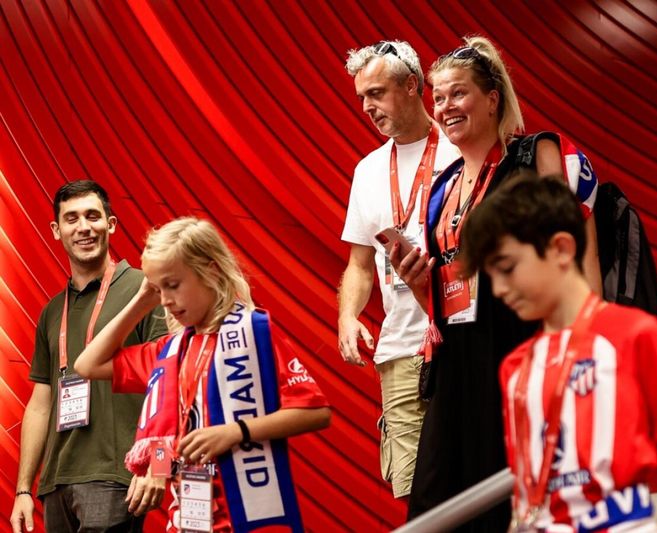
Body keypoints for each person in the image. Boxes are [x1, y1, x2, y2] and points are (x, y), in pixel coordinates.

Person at [393, 36, 601, 529]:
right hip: (455, 363)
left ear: (492, 99)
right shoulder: (441, 187)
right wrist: (418, 282)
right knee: (435, 510)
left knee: (512, 507)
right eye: (438, 97)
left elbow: (579, 255)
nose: (445, 106)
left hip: (521, 351)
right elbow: (447, 297)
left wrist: (583, 351)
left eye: (458, 93)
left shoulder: (538, 153)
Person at [459, 172, 657, 532]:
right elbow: (526, 486)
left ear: (561, 249)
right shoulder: (515, 367)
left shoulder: (635, 334)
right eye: (490, 275)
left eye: (507, 268)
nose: (498, 289)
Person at [74, 217, 331, 532]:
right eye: (158, 289)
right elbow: (87, 365)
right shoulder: (169, 350)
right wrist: (141, 301)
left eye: (173, 285)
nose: (165, 300)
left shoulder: (253, 333)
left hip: (245, 515)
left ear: (211, 271)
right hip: (189, 518)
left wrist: (236, 431)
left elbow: (315, 411)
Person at [10, 180, 168, 533]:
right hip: (55, 483)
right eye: (72, 218)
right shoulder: (52, 311)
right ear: (57, 230)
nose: (83, 227)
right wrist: (24, 489)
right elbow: (40, 404)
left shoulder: (145, 289)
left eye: (93, 216)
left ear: (111, 224)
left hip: (115, 475)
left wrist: (158, 466)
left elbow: (170, 380)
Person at [339, 40, 460, 499]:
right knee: (413, 491)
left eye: (376, 93)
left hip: (461, 338)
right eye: (362, 98)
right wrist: (347, 316)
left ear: (412, 86)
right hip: (400, 349)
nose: (367, 108)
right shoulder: (368, 170)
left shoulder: (460, 148)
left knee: (470, 476)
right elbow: (359, 263)